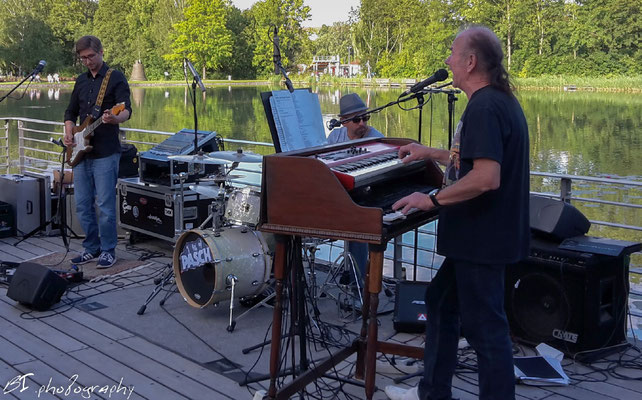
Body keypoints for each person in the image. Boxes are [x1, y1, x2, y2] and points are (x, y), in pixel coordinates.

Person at [385, 26, 530, 400]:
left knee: (487, 331)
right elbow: (471, 160)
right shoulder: (499, 101)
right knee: (440, 300)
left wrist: (431, 200)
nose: (447, 60)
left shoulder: (484, 106)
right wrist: (429, 153)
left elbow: (486, 177)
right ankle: (433, 392)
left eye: (453, 52)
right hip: (482, 237)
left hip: (481, 239)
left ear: (470, 61)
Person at [63, 35, 132, 268]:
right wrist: (69, 132)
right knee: (82, 204)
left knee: (104, 205)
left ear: (101, 52)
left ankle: (108, 250)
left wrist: (114, 118)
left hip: (105, 151)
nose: (88, 61)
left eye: (91, 56)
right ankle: (90, 248)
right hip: (81, 152)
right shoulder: (81, 81)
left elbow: (126, 110)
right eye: (83, 58)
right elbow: (70, 112)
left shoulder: (115, 77)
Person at [327, 93, 384, 287]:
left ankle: (358, 285)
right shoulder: (335, 136)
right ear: (343, 121)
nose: (362, 123)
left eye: (365, 118)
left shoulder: (377, 138)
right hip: (339, 195)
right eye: (357, 119)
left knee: (357, 228)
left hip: (367, 196)